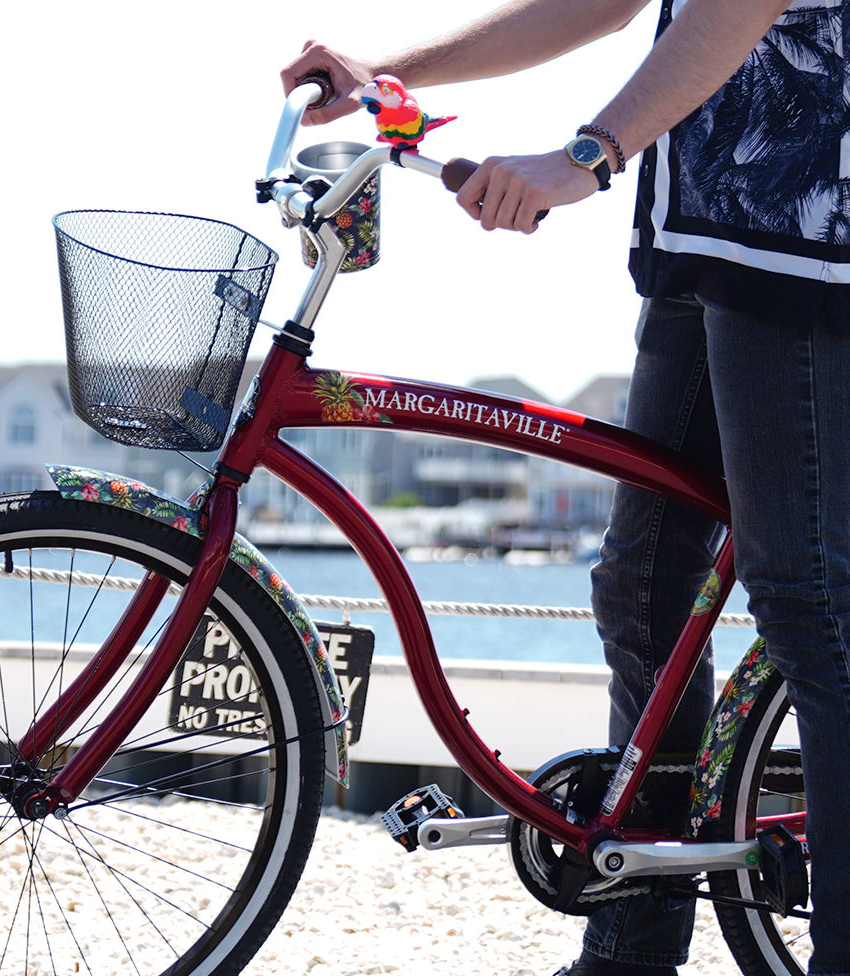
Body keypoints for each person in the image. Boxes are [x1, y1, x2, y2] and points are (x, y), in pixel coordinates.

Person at [282, 2, 850, 975]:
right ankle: (629, 951)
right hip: (704, 226)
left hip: (802, 223)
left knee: (805, 600)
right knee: (640, 585)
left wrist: (583, 156)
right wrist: (390, 63)